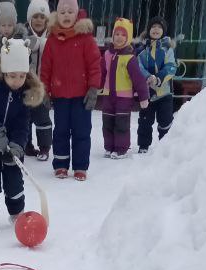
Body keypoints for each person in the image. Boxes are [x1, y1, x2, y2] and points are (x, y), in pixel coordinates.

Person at [0, 37, 45, 233]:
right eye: (12, 76)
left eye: (22, 76)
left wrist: (17, 145)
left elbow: (23, 124)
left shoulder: (24, 94)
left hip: (11, 148)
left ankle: (16, 215)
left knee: (15, 183)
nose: (17, 81)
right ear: (4, 72)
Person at [39, 0, 101, 180]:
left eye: (70, 12)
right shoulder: (52, 40)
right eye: (62, 12)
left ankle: (80, 166)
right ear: (57, 15)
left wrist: (93, 88)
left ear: (77, 14)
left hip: (82, 96)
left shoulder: (86, 38)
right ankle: (60, 164)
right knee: (61, 131)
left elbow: (94, 65)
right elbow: (46, 68)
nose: (66, 15)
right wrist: (44, 90)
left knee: (82, 131)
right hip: (60, 97)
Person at [97, 18, 149, 157]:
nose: (119, 37)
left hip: (124, 98)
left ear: (128, 38)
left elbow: (138, 79)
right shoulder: (107, 55)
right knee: (107, 122)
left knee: (121, 123)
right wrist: (96, 86)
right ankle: (109, 147)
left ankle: (121, 149)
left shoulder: (130, 58)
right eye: (117, 34)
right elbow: (101, 73)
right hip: (108, 95)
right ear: (112, 35)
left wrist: (143, 96)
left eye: (123, 35)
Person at [135, 15, 177, 152]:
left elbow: (171, 67)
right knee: (145, 121)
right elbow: (138, 66)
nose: (156, 29)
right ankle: (143, 146)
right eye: (153, 27)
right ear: (148, 30)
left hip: (164, 93)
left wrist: (158, 78)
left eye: (159, 27)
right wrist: (148, 77)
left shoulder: (168, 49)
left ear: (163, 31)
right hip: (147, 92)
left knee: (165, 121)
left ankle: (164, 146)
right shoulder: (142, 49)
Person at [25, 0, 52, 158]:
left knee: (42, 119)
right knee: (25, 118)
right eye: (35, 16)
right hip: (25, 86)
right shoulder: (23, 37)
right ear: (30, 18)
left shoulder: (52, 39)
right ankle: (26, 145)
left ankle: (44, 148)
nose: (39, 20)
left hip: (42, 87)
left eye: (42, 17)